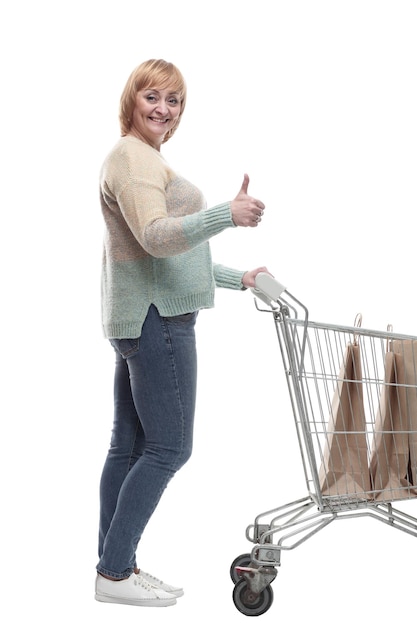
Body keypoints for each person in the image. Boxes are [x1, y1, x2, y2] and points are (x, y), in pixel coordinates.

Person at [95, 58, 270, 607]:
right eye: (153, 96)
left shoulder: (143, 159)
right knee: (170, 447)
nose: (163, 109)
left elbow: (172, 263)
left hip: (140, 315)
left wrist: (238, 278)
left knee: (131, 447)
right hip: (158, 322)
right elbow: (155, 237)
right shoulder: (131, 158)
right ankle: (115, 570)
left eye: (173, 101)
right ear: (132, 99)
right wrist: (225, 214)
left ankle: (114, 566)